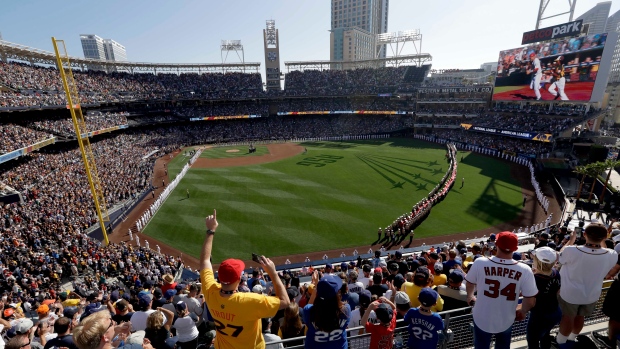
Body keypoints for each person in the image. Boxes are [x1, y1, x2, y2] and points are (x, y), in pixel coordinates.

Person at [199, 209, 289, 349]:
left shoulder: (210, 291)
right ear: (238, 280)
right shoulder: (249, 301)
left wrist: (210, 231)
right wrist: (273, 273)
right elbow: (285, 302)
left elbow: (205, 260)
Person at [465, 231, 538, 349]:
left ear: (496, 244)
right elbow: (530, 300)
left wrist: (470, 296)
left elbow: (470, 283)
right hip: (507, 318)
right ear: (515, 248)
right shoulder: (525, 269)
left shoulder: (480, 262)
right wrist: (523, 311)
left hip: (481, 316)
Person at [555, 223, 618, 348]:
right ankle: (572, 339)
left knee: (568, 317)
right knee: (580, 316)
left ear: (584, 235)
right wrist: (603, 241)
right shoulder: (612, 254)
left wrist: (571, 240)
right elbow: (607, 251)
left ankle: (560, 342)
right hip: (591, 294)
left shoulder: (571, 250)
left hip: (570, 293)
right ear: (605, 237)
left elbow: (559, 258)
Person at [303, 272, 351, 349]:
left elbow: (309, 307)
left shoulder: (309, 311)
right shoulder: (346, 309)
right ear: (337, 294)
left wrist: (316, 287)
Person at [526, 247, 561, 349]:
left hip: (539, 317)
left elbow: (530, 301)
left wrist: (522, 310)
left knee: (533, 341)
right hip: (555, 312)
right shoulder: (555, 272)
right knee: (545, 335)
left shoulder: (534, 279)